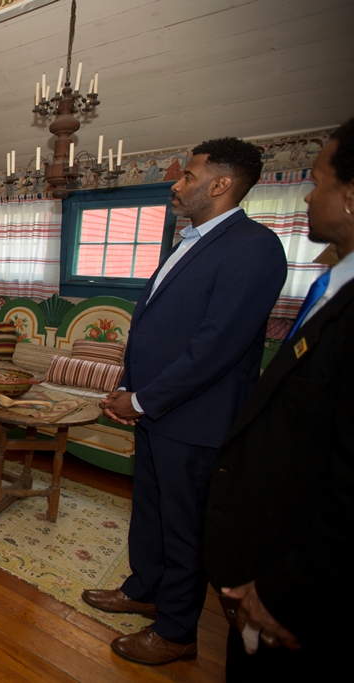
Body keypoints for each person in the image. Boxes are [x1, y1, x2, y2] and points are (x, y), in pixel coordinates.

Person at [83, 138, 288, 664]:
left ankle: (177, 631)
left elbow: (214, 348)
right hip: (156, 413)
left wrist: (144, 400)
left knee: (183, 527)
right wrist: (131, 391)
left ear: (221, 184)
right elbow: (159, 326)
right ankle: (144, 589)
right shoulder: (189, 241)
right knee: (149, 513)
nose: (177, 184)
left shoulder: (255, 247)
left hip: (194, 420)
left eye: (188, 176)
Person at [204, 119, 354, 681]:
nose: (309, 195)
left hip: (300, 584)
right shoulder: (334, 284)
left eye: (316, 182)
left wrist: (288, 589)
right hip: (268, 555)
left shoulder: (259, 251)